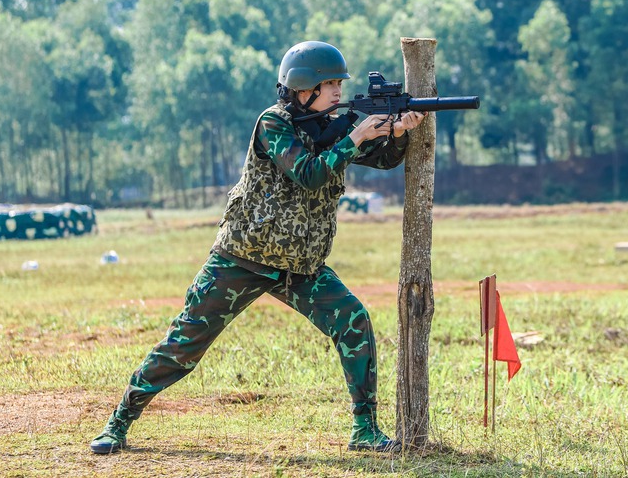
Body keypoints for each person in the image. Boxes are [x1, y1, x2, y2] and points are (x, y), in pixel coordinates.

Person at [90, 41, 425, 455]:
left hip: (300, 265)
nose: (339, 91)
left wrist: (398, 133)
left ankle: (365, 431)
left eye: (340, 83)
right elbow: (309, 173)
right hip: (243, 258)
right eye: (331, 83)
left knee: (353, 320)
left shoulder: (334, 127)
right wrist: (356, 135)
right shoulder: (274, 124)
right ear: (304, 89)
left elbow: (383, 159)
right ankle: (118, 422)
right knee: (184, 345)